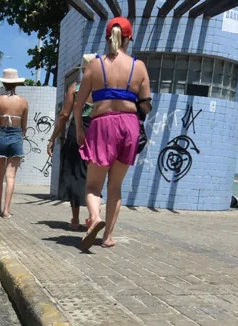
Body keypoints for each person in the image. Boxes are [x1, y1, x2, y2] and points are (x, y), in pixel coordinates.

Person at [74, 17, 152, 251]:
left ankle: (95, 217)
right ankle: (107, 237)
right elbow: (146, 104)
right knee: (115, 186)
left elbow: (79, 104)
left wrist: (79, 128)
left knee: (93, 185)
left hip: (101, 125)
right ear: (129, 38)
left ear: (108, 37)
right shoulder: (138, 67)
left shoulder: (95, 66)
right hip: (129, 125)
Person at [48, 54, 96, 231]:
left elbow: (64, 116)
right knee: (94, 176)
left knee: (74, 173)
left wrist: (53, 138)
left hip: (77, 132)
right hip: (96, 132)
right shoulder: (102, 90)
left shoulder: (75, 89)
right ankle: (94, 217)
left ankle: (75, 220)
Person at [0, 69, 29, 219]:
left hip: (1, 136)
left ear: (3, 83)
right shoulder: (23, 102)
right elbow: (24, 127)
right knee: (11, 177)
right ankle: (6, 210)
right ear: (17, 83)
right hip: (16, 136)